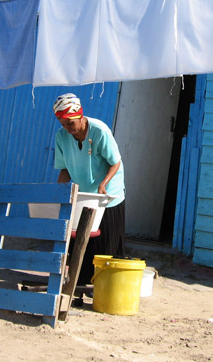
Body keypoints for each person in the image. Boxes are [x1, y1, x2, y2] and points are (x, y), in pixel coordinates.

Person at [53, 93, 126, 285]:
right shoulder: (61, 137)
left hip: (107, 195)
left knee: (105, 243)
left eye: (70, 123)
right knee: (80, 242)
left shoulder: (99, 130)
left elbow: (115, 162)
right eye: (63, 124)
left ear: (80, 115)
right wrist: (58, 194)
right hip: (84, 196)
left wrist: (103, 184)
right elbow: (64, 169)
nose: (67, 129)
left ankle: (103, 284)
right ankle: (80, 281)